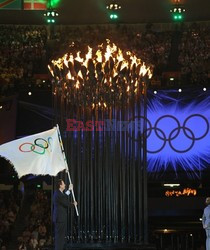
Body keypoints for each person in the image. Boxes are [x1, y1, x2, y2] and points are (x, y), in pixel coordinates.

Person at [53, 179, 77, 250]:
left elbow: (64, 196)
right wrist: (73, 204)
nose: (65, 185)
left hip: (60, 218)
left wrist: (69, 190)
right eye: (63, 184)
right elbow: (65, 202)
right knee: (59, 237)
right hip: (59, 219)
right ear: (60, 185)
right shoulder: (58, 194)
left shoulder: (59, 193)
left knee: (60, 237)